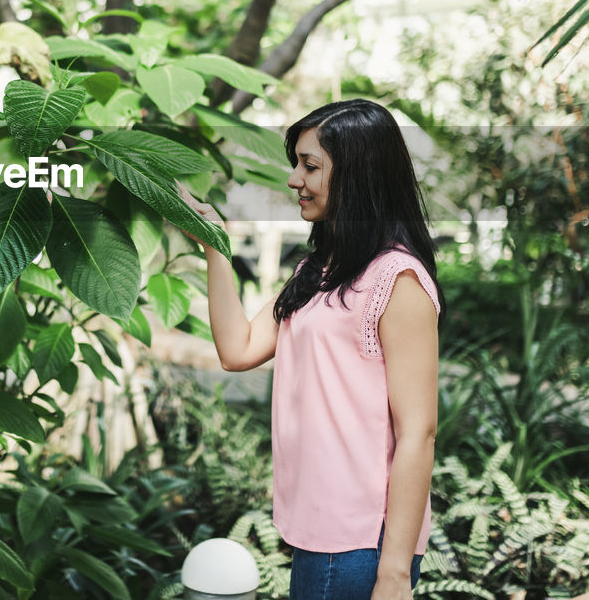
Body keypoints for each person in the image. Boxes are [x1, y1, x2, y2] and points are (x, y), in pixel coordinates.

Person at [175, 99, 444, 600]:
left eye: (311, 166)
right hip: (319, 532)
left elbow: (418, 434)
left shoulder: (398, 279)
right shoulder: (317, 271)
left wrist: (394, 574)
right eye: (296, 163)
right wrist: (215, 244)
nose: (295, 179)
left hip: (361, 543)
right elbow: (239, 348)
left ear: (358, 176)